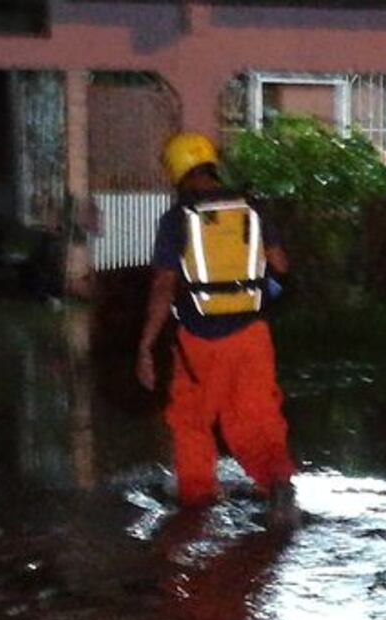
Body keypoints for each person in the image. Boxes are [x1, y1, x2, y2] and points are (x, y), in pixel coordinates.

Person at [136, 132, 296, 509]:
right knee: (258, 417)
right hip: (253, 335)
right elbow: (280, 265)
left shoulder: (176, 220)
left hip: (199, 341)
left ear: (177, 173)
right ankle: (277, 485)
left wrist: (146, 345)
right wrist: (259, 296)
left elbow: (163, 286)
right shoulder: (252, 210)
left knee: (191, 421)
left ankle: (196, 504)